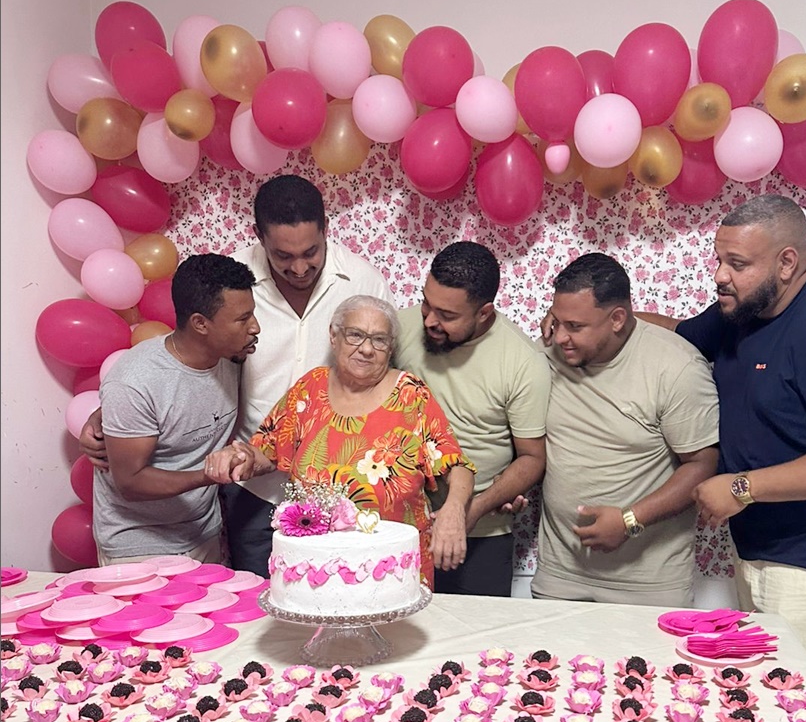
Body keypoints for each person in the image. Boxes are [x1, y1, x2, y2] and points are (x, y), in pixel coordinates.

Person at [639, 194, 806, 709]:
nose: (720, 276)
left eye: (737, 263)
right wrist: (604, 320)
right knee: (761, 707)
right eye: (719, 259)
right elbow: (678, 336)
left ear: (786, 262)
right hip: (765, 552)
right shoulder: (745, 310)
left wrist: (743, 487)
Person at [81, 174, 393, 576]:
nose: (299, 267)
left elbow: (383, 369)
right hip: (251, 484)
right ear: (259, 237)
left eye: (311, 252)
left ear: (326, 229)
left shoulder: (364, 281)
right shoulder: (232, 282)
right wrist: (110, 414)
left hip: (335, 481)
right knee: (254, 601)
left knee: (335, 593)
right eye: (283, 255)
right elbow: (183, 358)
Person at [205, 296, 475, 588]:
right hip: (316, 570)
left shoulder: (410, 395)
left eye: (379, 340)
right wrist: (241, 457)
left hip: (392, 570)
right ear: (334, 336)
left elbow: (457, 464)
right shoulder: (310, 388)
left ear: (390, 347)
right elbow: (267, 451)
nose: (367, 349)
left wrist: (454, 508)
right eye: (356, 335)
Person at [534, 253, 720, 607]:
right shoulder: (548, 354)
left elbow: (703, 464)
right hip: (559, 574)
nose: (560, 337)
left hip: (649, 584)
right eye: (557, 321)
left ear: (617, 319)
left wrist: (630, 520)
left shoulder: (675, 367)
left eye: (575, 326)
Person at [393, 241, 551, 596]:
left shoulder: (523, 362)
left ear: (483, 313)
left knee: (475, 630)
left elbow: (532, 458)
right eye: (426, 304)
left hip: (480, 535)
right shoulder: (398, 328)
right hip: (399, 525)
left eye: (447, 315)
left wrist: (475, 509)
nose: (429, 321)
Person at [91, 253, 259, 565]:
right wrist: (209, 475)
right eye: (242, 319)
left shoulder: (231, 357)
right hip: (139, 546)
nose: (255, 327)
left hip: (201, 535)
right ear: (200, 324)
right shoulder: (135, 382)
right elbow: (130, 483)